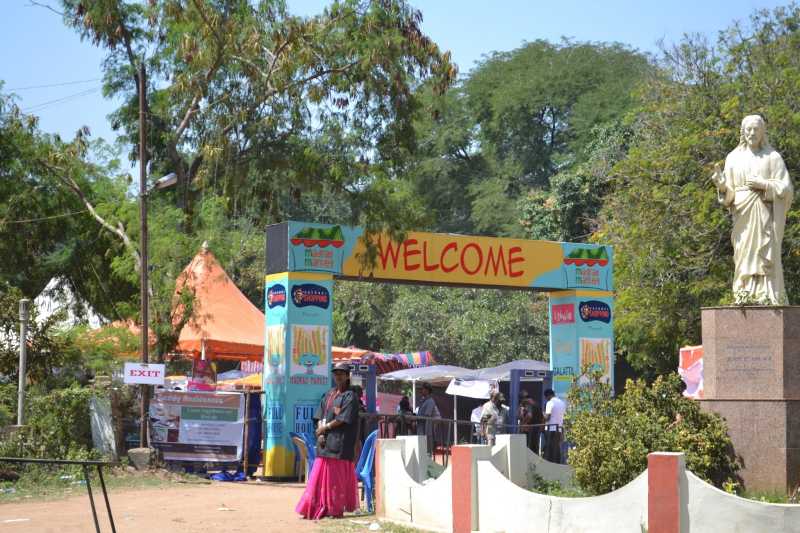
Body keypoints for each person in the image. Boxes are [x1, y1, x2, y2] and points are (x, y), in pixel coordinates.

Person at [711, 114, 793, 304]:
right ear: (742, 132)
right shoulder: (733, 158)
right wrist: (722, 186)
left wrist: (763, 184)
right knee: (743, 254)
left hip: (765, 215)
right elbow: (729, 196)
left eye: (756, 129)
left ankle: (767, 294)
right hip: (742, 215)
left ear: (763, 132)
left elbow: (787, 190)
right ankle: (744, 293)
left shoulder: (773, 158)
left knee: (765, 255)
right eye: (748, 129)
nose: (752, 133)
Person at [296, 363, 359, 520]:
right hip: (324, 443)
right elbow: (319, 415)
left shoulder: (350, 396)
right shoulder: (329, 394)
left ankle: (334, 509)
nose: (338, 376)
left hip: (340, 444)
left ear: (347, 376)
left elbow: (343, 419)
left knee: (335, 480)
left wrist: (325, 428)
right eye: (336, 373)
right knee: (317, 478)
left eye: (342, 373)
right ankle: (315, 507)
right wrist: (320, 432)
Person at [415, 383, 441, 454]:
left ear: (427, 390)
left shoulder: (430, 401)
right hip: (421, 429)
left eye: (423, 389)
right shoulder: (423, 401)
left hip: (426, 429)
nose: (421, 391)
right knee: (421, 450)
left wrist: (415, 417)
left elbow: (427, 415)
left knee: (427, 451)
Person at [543, 389, 565, 464]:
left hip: (550, 429)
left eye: (546, 398)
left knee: (549, 449)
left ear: (548, 396)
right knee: (557, 449)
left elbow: (547, 417)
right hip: (559, 429)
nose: (546, 399)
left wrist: (543, 414)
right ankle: (557, 464)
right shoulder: (562, 402)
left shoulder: (550, 403)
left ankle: (549, 465)